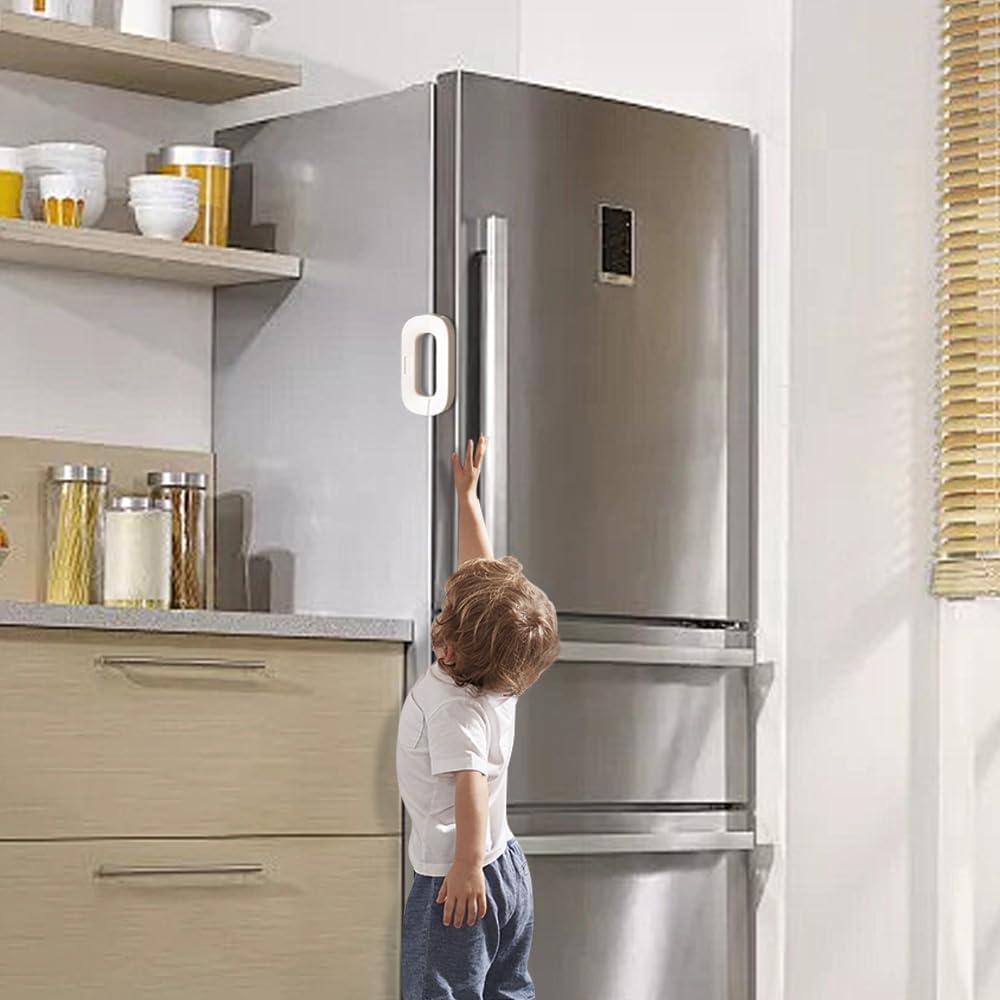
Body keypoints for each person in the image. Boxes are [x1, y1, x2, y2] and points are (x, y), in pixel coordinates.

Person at [396, 435, 561, 1000]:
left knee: (441, 989)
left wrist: (464, 866)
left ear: (448, 650)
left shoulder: (451, 707)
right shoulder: (497, 678)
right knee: (507, 987)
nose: (438, 615)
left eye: (443, 612)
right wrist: (468, 498)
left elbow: (469, 783)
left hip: (458, 877)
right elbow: (480, 572)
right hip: (508, 867)